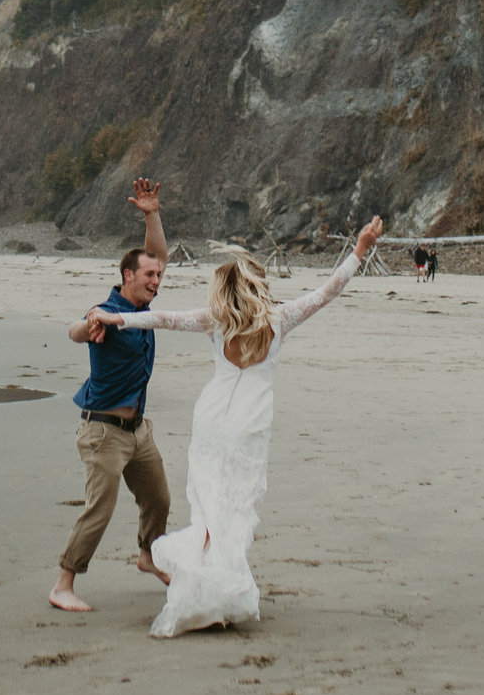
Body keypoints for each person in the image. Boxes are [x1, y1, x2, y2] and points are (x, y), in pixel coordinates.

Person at [83, 213, 385, 637]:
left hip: (210, 424)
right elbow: (327, 291)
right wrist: (360, 249)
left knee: (207, 509)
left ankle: (203, 589)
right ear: (257, 287)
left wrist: (120, 319)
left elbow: (164, 318)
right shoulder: (280, 320)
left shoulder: (216, 321)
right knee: (235, 512)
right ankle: (221, 593)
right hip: (247, 429)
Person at [49, 177, 172, 614]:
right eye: (148, 275)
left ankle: (148, 555)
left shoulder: (142, 311)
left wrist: (152, 214)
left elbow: (157, 252)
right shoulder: (110, 311)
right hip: (103, 431)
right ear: (127, 276)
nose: (156, 279)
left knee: (158, 498)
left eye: (158, 275)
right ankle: (63, 583)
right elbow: (76, 330)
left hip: (138, 429)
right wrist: (89, 326)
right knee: (99, 511)